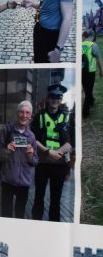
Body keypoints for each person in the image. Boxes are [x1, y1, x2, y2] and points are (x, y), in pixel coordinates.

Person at [31, 84, 73, 222]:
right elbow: (33, 139)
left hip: (59, 166)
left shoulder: (67, 118)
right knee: (38, 197)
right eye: (53, 97)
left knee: (56, 200)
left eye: (58, 97)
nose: (55, 100)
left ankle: (53, 228)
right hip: (42, 164)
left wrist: (57, 153)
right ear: (48, 98)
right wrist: (48, 152)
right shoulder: (39, 117)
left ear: (61, 100)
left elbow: (71, 143)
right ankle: (36, 226)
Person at [0, 101, 38, 218]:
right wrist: (6, 150)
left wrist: (31, 155)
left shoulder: (31, 136)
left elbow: (35, 161)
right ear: (17, 114)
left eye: (27, 113)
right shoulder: (7, 131)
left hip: (24, 183)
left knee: (20, 214)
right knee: (6, 214)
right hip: (8, 181)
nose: (24, 115)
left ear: (30, 116)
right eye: (21, 112)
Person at [82, 29, 103, 117]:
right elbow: (98, 60)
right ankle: (85, 112)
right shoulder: (93, 45)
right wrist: (101, 71)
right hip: (90, 72)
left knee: (87, 89)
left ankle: (91, 100)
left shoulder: (80, 44)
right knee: (89, 90)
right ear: (93, 36)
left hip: (81, 71)